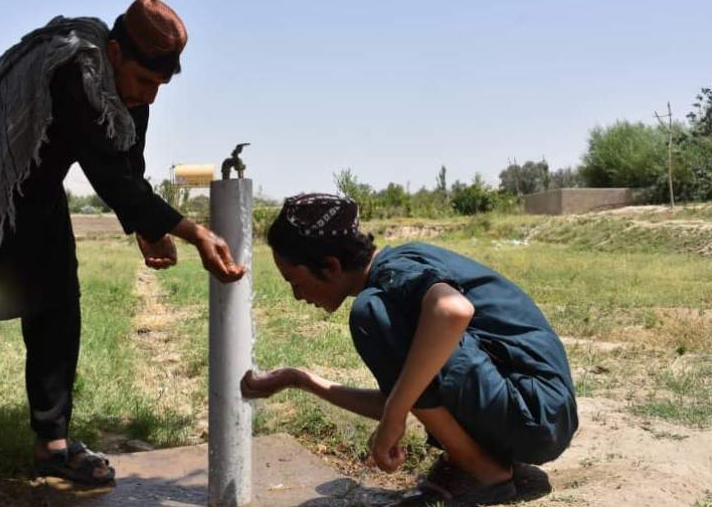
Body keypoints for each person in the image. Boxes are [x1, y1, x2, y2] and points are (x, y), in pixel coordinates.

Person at [0, 0, 244, 506]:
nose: (150, 98)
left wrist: (147, 228)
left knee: (57, 311)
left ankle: (53, 445)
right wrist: (191, 231)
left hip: (39, 198)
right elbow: (106, 172)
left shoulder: (128, 93)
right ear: (116, 52)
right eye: (145, 83)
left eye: (160, 88)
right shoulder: (74, 70)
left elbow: (126, 160)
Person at [242, 193, 577, 506]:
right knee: (396, 347)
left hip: (533, 411)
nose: (297, 296)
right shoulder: (398, 269)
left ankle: (482, 471)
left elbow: (452, 310)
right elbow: (409, 398)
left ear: (331, 266)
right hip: (536, 413)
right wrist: (301, 380)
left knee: (370, 312)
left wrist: (395, 414)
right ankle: (478, 461)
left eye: (295, 282)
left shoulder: (392, 277)